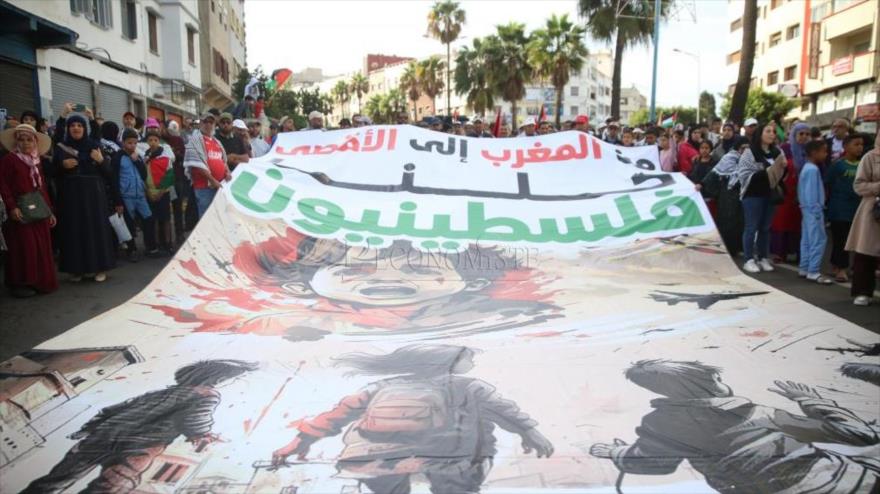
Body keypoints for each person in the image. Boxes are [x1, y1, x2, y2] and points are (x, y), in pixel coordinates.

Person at [271, 345, 553, 494]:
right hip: (451, 459)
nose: (472, 361)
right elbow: (504, 411)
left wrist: (297, 444)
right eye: (466, 357)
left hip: (371, 460)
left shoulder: (382, 386)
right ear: (448, 362)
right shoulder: (468, 386)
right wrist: (530, 433)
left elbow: (337, 415)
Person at [590, 360, 880, 494]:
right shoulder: (760, 413)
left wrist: (616, 452)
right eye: (716, 379)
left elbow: (651, 464)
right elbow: (862, 436)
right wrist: (811, 400)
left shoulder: (660, 423)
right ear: (709, 384)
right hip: (849, 483)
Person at [22, 360, 258, 494]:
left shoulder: (158, 393)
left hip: (105, 434)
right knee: (113, 485)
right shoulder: (207, 395)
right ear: (218, 377)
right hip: (140, 445)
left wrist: (89, 427)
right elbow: (195, 418)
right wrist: (202, 434)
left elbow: (114, 409)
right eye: (231, 378)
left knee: (58, 478)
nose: (231, 381)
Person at [52, 114, 117, 282]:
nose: (76, 128)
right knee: (74, 231)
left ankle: (100, 268)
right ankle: (76, 270)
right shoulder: (62, 148)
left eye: (79, 125)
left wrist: (101, 161)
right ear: (68, 129)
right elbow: (52, 173)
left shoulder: (95, 146)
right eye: (72, 125)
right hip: (71, 196)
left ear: (85, 128)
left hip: (94, 197)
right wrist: (62, 166)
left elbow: (109, 174)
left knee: (96, 231)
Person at [0, 124, 58, 296]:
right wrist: (12, 206)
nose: (25, 143)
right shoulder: (9, 160)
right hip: (19, 210)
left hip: (38, 209)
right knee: (23, 247)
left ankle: (40, 282)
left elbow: (42, 187)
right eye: (21, 139)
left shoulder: (36, 160)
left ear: (35, 142)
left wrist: (49, 211)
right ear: (16, 142)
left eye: (29, 140)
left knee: (40, 247)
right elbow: (3, 185)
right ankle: (21, 284)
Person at [737, 122, 787, 274]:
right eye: (768, 131)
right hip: (753, 194)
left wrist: (782, 168)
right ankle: (748, 259)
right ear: (760, 134)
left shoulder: (777, 152)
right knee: (751, 227)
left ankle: (763, 257)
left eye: (773, 132)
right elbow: (743, 174)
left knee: (765, 228)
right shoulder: (750, 152)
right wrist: (767, 171)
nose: (772, 134)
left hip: (770, 194)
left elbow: (781, 174)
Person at [845, 131, 880, 306]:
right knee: (866, 253)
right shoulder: (870, 157)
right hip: (873, 211)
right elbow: (858, 185)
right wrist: (878, 187)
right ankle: (863, 292)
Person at [701, 136, 750, 257]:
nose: (745, 151)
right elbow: (712, 175)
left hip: (742, 196)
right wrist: (702, 185)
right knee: (726, 223)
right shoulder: (728, 158)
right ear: (737, 148)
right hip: (726, 197)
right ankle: (726, 248)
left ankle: (737, 248)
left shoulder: (750, 160)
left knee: (740, 223)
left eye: (747, 148)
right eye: (743, 148)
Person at [825, 134, 864, 282]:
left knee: (853, 240)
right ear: (846, 146)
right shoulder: (838, 165)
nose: (859, 147)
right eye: (856, 144)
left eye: (861, 144)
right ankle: (841, 269)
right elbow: (827, 182)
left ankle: (837, 265)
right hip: (839, 209)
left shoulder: (863, 164)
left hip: (856, 208)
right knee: (840, 240)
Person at [771, 122, 810, 263]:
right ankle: (780, 252)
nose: (804, 137)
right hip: (786, 191)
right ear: (794, 135)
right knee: (782, 221)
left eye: (807, 134)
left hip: (805, 192)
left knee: (799, 223)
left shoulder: (810, 150)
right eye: (801, 134)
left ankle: (800, 253)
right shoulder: (785, 148)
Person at [111, 129, 152, 262]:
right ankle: (131, 250)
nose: (132, 146)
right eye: (129, 143)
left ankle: (150, 246)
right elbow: (114, 180)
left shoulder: (137, 156)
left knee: (148, 219)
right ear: (123, 142)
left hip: (140, 195)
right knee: (129, 223)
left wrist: (137, 162)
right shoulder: (118, 157)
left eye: (135, 143)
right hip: (126, 195)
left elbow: (144, 175)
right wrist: (118, 201)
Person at [797, 140, 833, 284]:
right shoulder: (813, 169)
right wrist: (816, 210)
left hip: (806, 209)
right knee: (818, 240)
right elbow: (811, 192)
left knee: (807, 239)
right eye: (824, 151)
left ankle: (804, 267)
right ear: (814, 153)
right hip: (813, 210)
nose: (826, 154)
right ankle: (813, 271)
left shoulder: (807, 167)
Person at [184, 112, 229, 218]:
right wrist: (213, 181)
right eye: (205, 121)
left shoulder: (216, 142)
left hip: (219, 186)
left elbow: (223, 160)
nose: (208, 124)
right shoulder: (194, 141)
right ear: (200, 123)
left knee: (219, 217)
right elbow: (197, 164)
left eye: (211, 122)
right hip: (204, 187)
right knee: (207, 218)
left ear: (214, 125)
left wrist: (227, 172)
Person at [143, 130, 175, 256]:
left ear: (159, 141)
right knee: (154, 220)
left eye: (155, 140)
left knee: (166, 219)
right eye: (150, 140)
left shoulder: (166, 158)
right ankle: (156, 244)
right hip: (150, 194)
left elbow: (169, 176)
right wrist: (148, 192)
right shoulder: (145, 158)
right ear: (147, 142)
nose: (153, 142)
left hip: (163, 193)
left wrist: (161, 193)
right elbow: (143, 176)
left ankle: (168, 243)